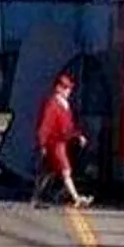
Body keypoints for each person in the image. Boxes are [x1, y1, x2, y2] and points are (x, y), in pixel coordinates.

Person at [31, 73, 92, 208]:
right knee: (66, 171)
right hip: (54, 143)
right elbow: (45, 126)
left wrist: (77, 136)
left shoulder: (64, 105)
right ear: (58, 88)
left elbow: (68, 126)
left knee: (47, 172)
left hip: (61, 142)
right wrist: (42, 144)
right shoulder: (52, 104)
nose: (69, 91)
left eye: (69, 88)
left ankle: (36, 197)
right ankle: (76, 198)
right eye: (66, 88)